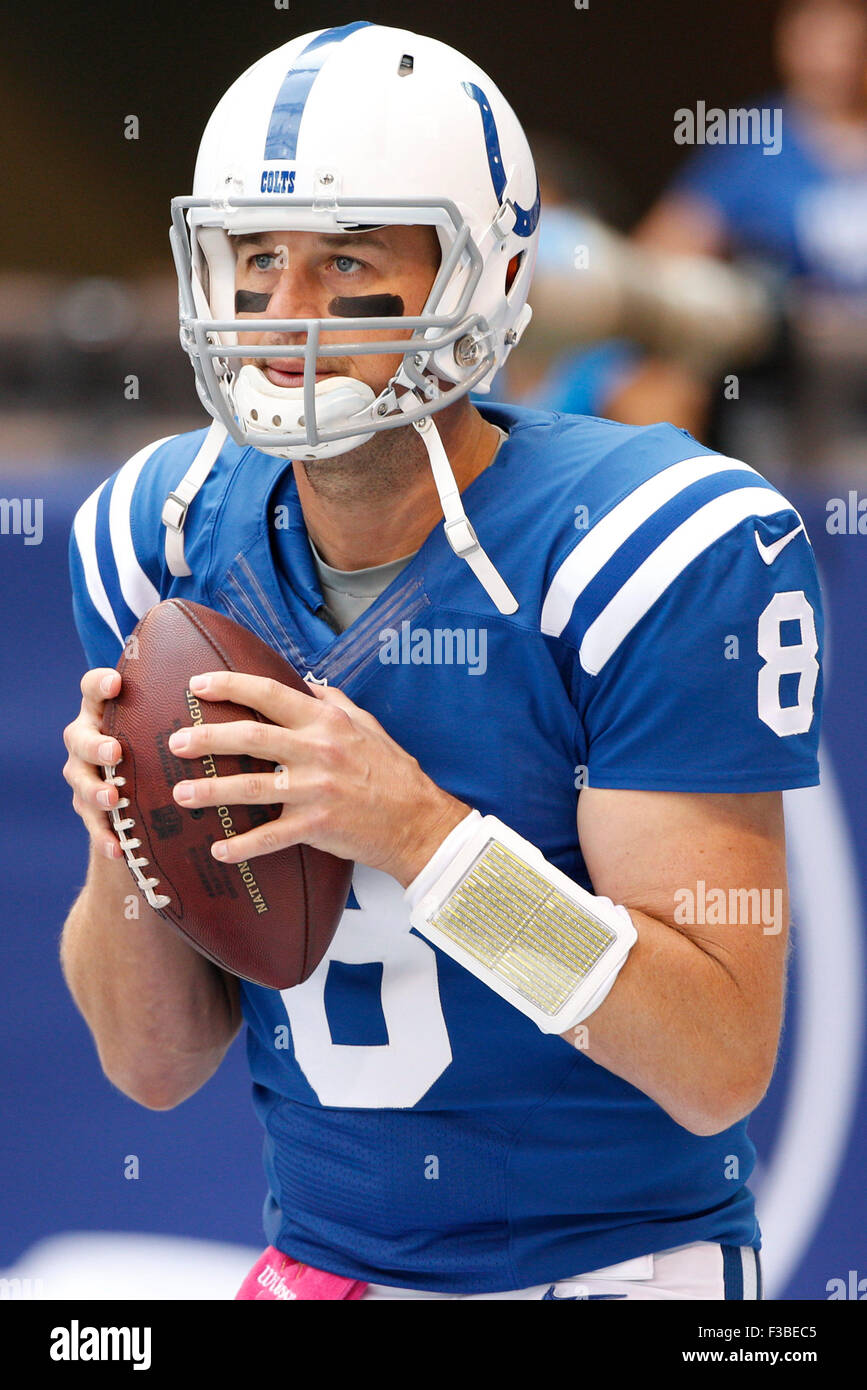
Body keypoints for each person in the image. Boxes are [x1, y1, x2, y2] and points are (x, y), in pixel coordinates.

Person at [61, 21, 823, 1301]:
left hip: (622, 1275)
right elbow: (151, 1064)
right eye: (256, 257)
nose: (284, 317)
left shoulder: (646, 545)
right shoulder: (160, 534)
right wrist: (119, 830)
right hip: (323, 1267)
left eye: (347, 257)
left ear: (489, 268)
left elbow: (715, 1062)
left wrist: (419, 835)